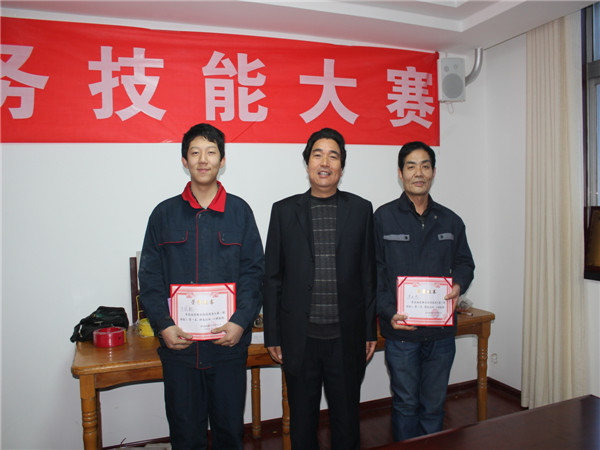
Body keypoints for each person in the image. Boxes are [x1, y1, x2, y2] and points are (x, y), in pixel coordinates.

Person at [138, 123, 264, 449]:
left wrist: (240, 322)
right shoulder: (163, 215)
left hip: (227, 347)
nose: (203, 159)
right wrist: (163, 325)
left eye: (211, 152)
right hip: (179, 348)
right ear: (185, 161)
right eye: (195, 152)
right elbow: (149, 279)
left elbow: (254, 273)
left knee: (229, 433)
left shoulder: (240, 212)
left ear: (222, 160)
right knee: (185, 436)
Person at [262, 128, 377, 449]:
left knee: (347, 422)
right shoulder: (284, 211)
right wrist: (273, 335)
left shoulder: (361, 210)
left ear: (341, 165)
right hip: (300, 339)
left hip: (347, 338)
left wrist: (370, 330)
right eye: (318, 154)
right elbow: (272, 278)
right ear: (307, 162)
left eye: (333, 156)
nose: (325, 162)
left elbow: (369, 275)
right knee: (302, 422)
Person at [374, 141, 475, 441]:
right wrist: (388, 311)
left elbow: (465, 263)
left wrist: (458, 284)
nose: (418, 173)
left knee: (434, 405)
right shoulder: (383, 218)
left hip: (441, 335)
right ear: (400, 173)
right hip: (402, 332)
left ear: (433, 172)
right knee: (405, 404)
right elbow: (373, 272)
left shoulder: (451, 220)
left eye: (425, 166)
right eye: (411, 166)